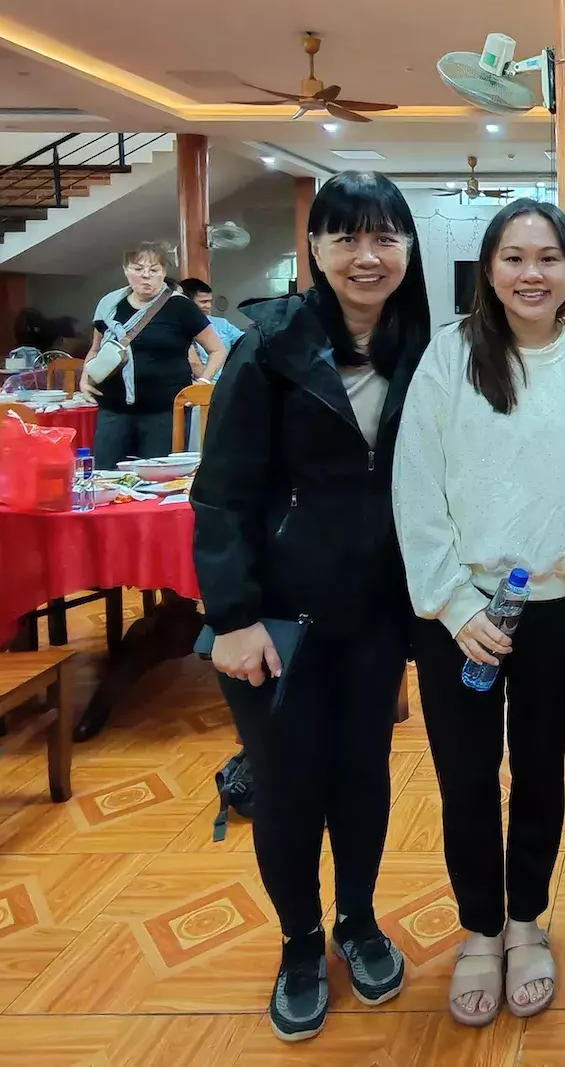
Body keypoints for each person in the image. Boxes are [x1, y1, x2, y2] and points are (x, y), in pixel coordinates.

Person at [393, 198, 565, 1027]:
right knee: (466, 779)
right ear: (489, 272)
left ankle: (526, 920)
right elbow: (416, 487)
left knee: (539, 773)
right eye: (513, 257)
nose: (531, 274)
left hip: (552, 612)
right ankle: (477, 929)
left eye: (548, 258)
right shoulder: (449, 357)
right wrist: (448, 601)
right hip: (460, 617)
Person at [191, 172, 431, 1043]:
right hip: (278, 618)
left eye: (384, 237)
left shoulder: (420, 345)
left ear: (407, 248)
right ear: (317, 252)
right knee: (291, 788)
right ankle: (299, 944)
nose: (367, 257)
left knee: (361, 778)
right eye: (345, 238)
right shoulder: (271, 346)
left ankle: (358, 920)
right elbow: (221, 495)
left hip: (373, 612)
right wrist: (234, 614)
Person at [80, 243, 226, 468]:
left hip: (164, 412)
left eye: (154, 270)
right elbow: (96, 350)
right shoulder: (110, 305)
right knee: (104, 475)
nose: (146, 276)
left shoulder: (181, 308)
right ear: (126, 270)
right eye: (138, 269)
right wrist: (84, 377)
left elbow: (217, 350)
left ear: (163, 273)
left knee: (156, 482)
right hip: (113, 409)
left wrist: (203, 382)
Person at [180, 276, 245, 380]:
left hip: (222, 386)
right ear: (187, 302)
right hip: (191, 388)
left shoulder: (222, 324)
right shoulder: (176, 328)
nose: (209, 306)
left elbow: (245, 342)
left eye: (210, 301)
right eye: (203, 302)